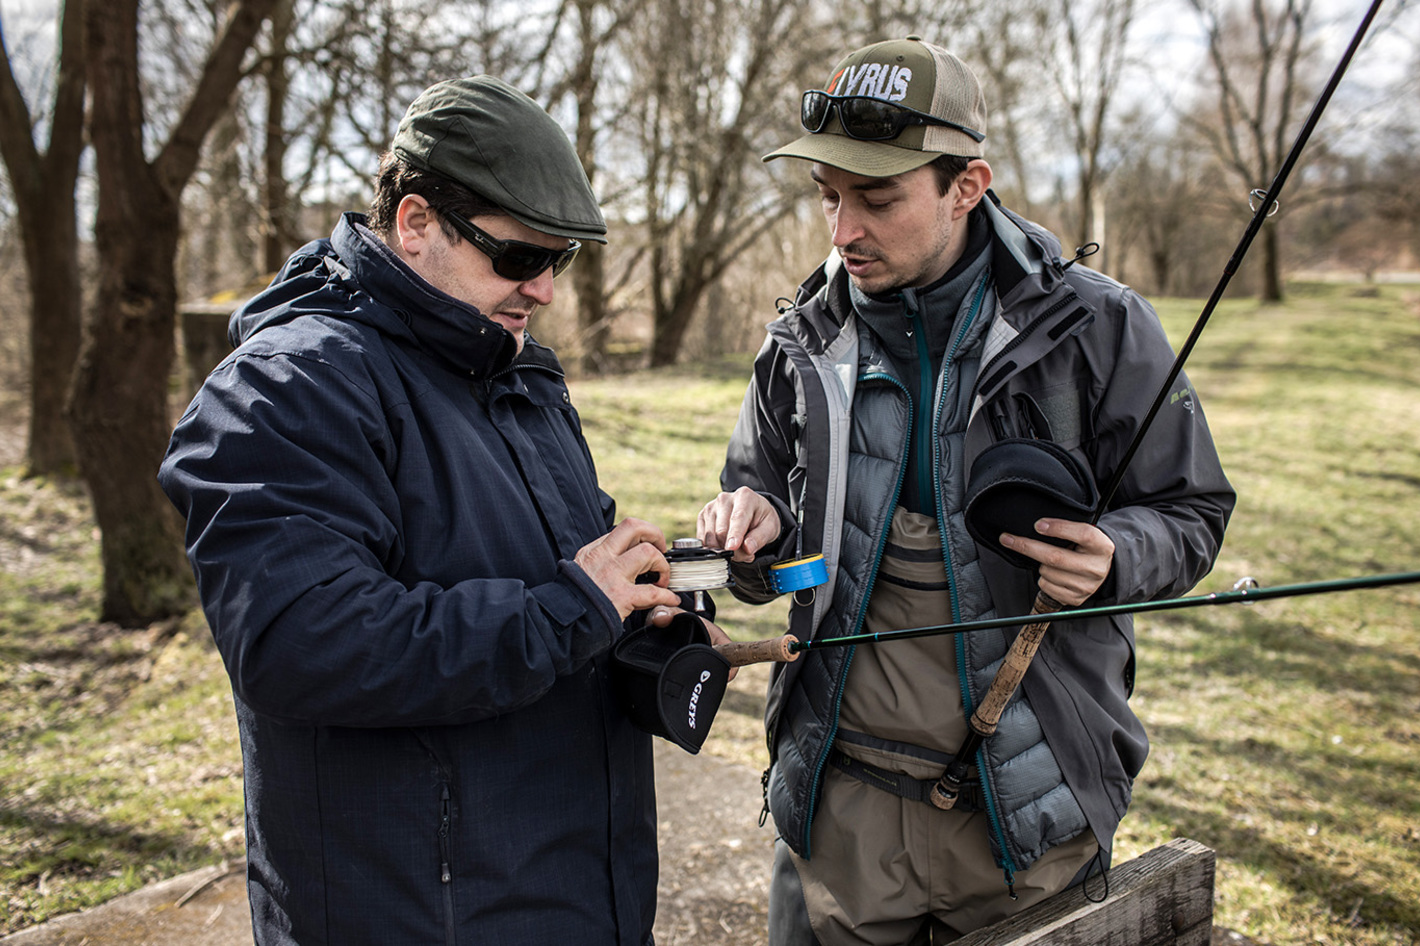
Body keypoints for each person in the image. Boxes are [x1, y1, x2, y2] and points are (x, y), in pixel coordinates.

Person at [159, 75, 729, 945]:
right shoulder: (287, 388)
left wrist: (645, 614)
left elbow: (572, 595)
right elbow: (298, 642)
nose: (543, 289)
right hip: (416, 914)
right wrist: (572, 611)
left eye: (559, 260)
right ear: (415, 222)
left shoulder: (519, 374)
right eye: (518, 257)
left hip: (576, 898)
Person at [696, 37, 1236, 944]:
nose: (842, 231)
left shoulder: (1097, 326)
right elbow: (767, 537)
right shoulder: (798, 339)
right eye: (829, 197)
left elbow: (1192, 513)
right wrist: (747, 540)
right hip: (840, 814)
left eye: (877, 198)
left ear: (967, 185)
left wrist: (1115, 557)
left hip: (1024, 820)